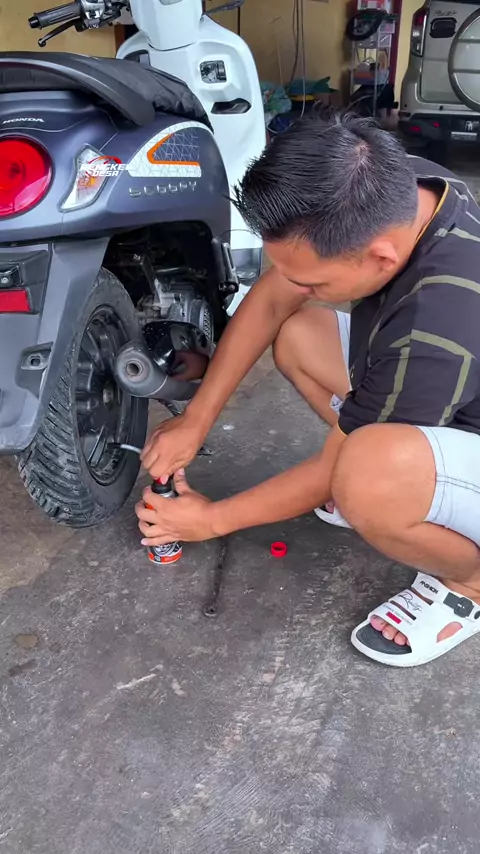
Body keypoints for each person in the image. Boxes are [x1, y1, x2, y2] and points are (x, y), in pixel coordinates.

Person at [135, 111, 480, 667]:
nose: (296, 286)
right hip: (452, 391)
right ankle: (398, 482)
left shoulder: (436, 326)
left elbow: (338, 465)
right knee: (299, 334)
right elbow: (276, 297)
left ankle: (469, 583)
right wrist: (196, 420)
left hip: (461, 410)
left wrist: (210, 520)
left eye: (313, 280)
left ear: (381, 258)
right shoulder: (394, 187)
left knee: (365, 475)